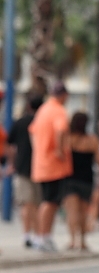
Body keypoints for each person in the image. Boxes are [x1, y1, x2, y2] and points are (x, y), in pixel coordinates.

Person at [28, 80, 73, 252]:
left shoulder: (43, 110)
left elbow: (32, 131)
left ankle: (42, 236)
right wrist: (60, 150)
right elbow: (61, 130)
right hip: (54, 166)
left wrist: (39, 151)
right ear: (64, 95)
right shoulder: (58, 111)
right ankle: (43, 236)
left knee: (47, 201)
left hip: (41, 163)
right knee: (50, 202)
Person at [6, 94, 44, 248]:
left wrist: (12, 163)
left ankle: (26, 234)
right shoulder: (42, 123)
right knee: (37, 204)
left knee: (25, 204)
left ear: (29, 106)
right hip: (41, 167)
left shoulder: (20, 122)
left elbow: (10, 146)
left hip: (22, 167)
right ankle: (37, 235)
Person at [63, 112, 99, 251]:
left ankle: (72, 241)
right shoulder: (92, 140)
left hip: (70, 178)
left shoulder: (68, 139)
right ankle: (83, 241)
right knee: (83, 212)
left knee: (71, 212)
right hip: (87, 179)